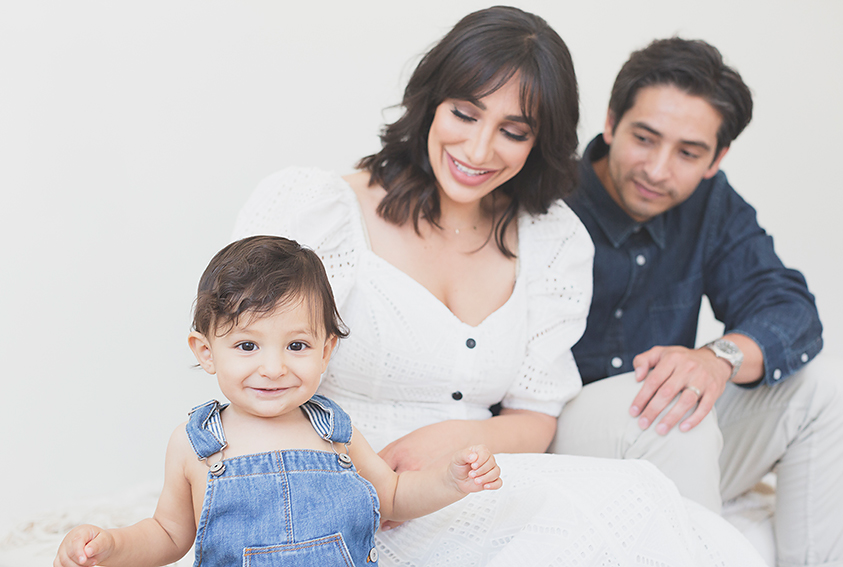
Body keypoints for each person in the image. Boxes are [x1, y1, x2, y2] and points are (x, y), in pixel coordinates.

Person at [232, 7, 766, 567]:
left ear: (540, 142)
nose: (480, 150)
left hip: (478, 484)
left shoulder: (552, 239)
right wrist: (359, 470)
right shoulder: (316, 210)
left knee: (653, 515)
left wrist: (450, 444)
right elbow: (246, 366)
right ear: (432, 100)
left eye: (513, 132)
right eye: (464, 114)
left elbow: (536, 417)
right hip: (332, 484)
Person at [551, 37, 843, 566]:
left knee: (827, 386)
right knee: (668, 405)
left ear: (717, 158)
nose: (659, 170)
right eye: (645, 138)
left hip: (668, 439)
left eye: (688, 153)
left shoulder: (711, 203)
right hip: (558, 442)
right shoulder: (548, 195)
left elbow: (789, 308)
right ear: (612, 121)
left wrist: (718, 358)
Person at [53, 235, 503, 567]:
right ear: (205, 351)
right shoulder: (197, 444)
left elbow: (392, 496)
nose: (273, 368)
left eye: (297, 346)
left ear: (326, 350)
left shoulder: (334, 431)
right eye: (248, 346)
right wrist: (111, 548)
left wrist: (450, 479)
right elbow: (168, 533)